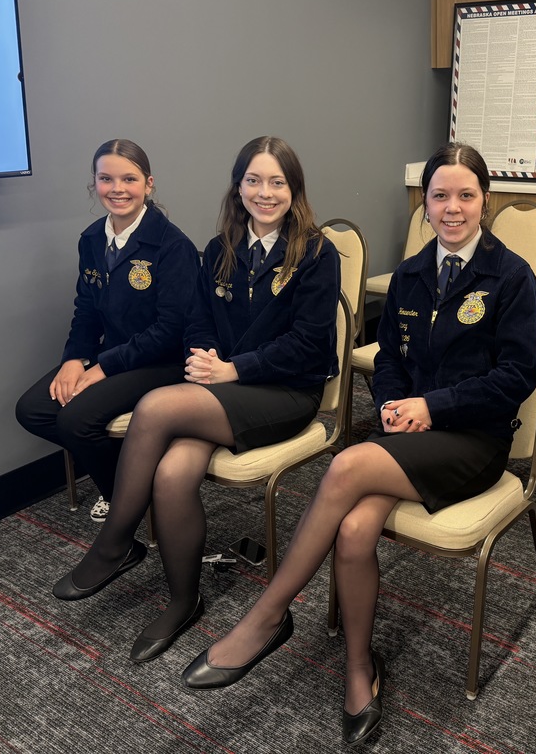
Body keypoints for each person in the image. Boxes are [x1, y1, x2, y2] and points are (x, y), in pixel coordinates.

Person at [179, 142, 536, 747]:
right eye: (439, 196)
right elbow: (392, 358)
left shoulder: (511, 277)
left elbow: (516, 378)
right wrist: (399, 405)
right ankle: (358, 667)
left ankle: (267, 615)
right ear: (424, 205)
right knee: (352, 533)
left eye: (466, 195)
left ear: (486, 201)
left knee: (346, 466)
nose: (452, 208)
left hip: (474, 440)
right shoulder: (411, 274)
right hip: (406, 435)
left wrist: (435, 407)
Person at [50, 136, 341, 664]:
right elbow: (197, 323)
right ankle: (184, 601)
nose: (265, 192)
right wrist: (205, 363)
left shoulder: (317, 254)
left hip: (285, 391)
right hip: (222, 389)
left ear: (294, 189)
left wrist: (232, 369)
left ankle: (116, 541)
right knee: (169, 475)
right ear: (238, 187)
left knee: (157, 406)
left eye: (277, 181)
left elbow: (307, 344)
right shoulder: (221, 249)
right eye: (253, 180)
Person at [15, 139, 198, 523]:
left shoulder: (172, 245)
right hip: (112, 355)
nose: (117, 188)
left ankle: (123, 500)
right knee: (33, 410)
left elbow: (170, 329)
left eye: (129, 178)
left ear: (149, 184)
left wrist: (103, 368)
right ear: (94, 184)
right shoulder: (92, 239)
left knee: (76, 420)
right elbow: (86, 311)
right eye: (106, 178)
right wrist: (74, 360)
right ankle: (133, 484)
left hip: (163, 362)